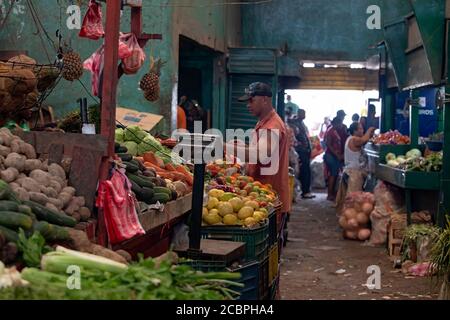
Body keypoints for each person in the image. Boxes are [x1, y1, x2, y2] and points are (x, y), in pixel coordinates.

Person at [229, 82, 290, 244]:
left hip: (270, 197)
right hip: (262, 194)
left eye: (251, 100)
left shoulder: (272, 126)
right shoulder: (263, 122)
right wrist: (240, 147)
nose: (248, 105)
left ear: (264, 99)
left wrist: (223, 146)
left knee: (268, 248)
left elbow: (261, 155)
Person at [335, 122, 375, 212]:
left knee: (351, 198)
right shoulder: (354, 139)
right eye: (360, 128)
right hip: (353, 174)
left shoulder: (351, 139)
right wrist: (369, 130)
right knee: (353, 199)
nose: (362, 130)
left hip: (351, 172)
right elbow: (364, 140)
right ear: (355, 131)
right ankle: (350, 218)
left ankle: (348, 216)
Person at [291, 109, 315, 199]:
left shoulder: (302, 123)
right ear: (299, 114)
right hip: (301, 151)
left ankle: (306, 190)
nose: (304, 115)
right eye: (303, 113)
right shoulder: (295, 123)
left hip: (305, 151)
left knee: (306, 170)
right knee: (304, 171)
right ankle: (305, 191)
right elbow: (295, 137)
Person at [323, 117, 344, 202]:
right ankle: (329, 194)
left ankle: (332, 194)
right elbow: (328, 144)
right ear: (336, 123)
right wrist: (336, 154)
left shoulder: (334, 131)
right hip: (330, 156)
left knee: (334, 175)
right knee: (332, 174)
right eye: (340, 123)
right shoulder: (330, 131)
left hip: (334, 156)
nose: (341, 125)